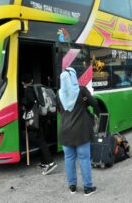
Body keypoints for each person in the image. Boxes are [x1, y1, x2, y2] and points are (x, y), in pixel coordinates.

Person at [57, 67, 99, 196]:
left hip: (65, 131)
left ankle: (72, 187)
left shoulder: (59, 93)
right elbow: (95, 103)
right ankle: (87, 187)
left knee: (69, 159)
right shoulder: (82, 91)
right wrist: (85, 103)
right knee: (84, 159)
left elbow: (59, 110)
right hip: (81, 131)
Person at [21, 73, 57, 175]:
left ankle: (50, 163)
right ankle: (44, 162)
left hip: (35, 117)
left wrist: (24, 105)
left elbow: (31, 102)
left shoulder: (28, 89)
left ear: (23, 82)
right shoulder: (37, 88)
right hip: (43, 115)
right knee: (41, 138)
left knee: (40, 140)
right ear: (31, 80)